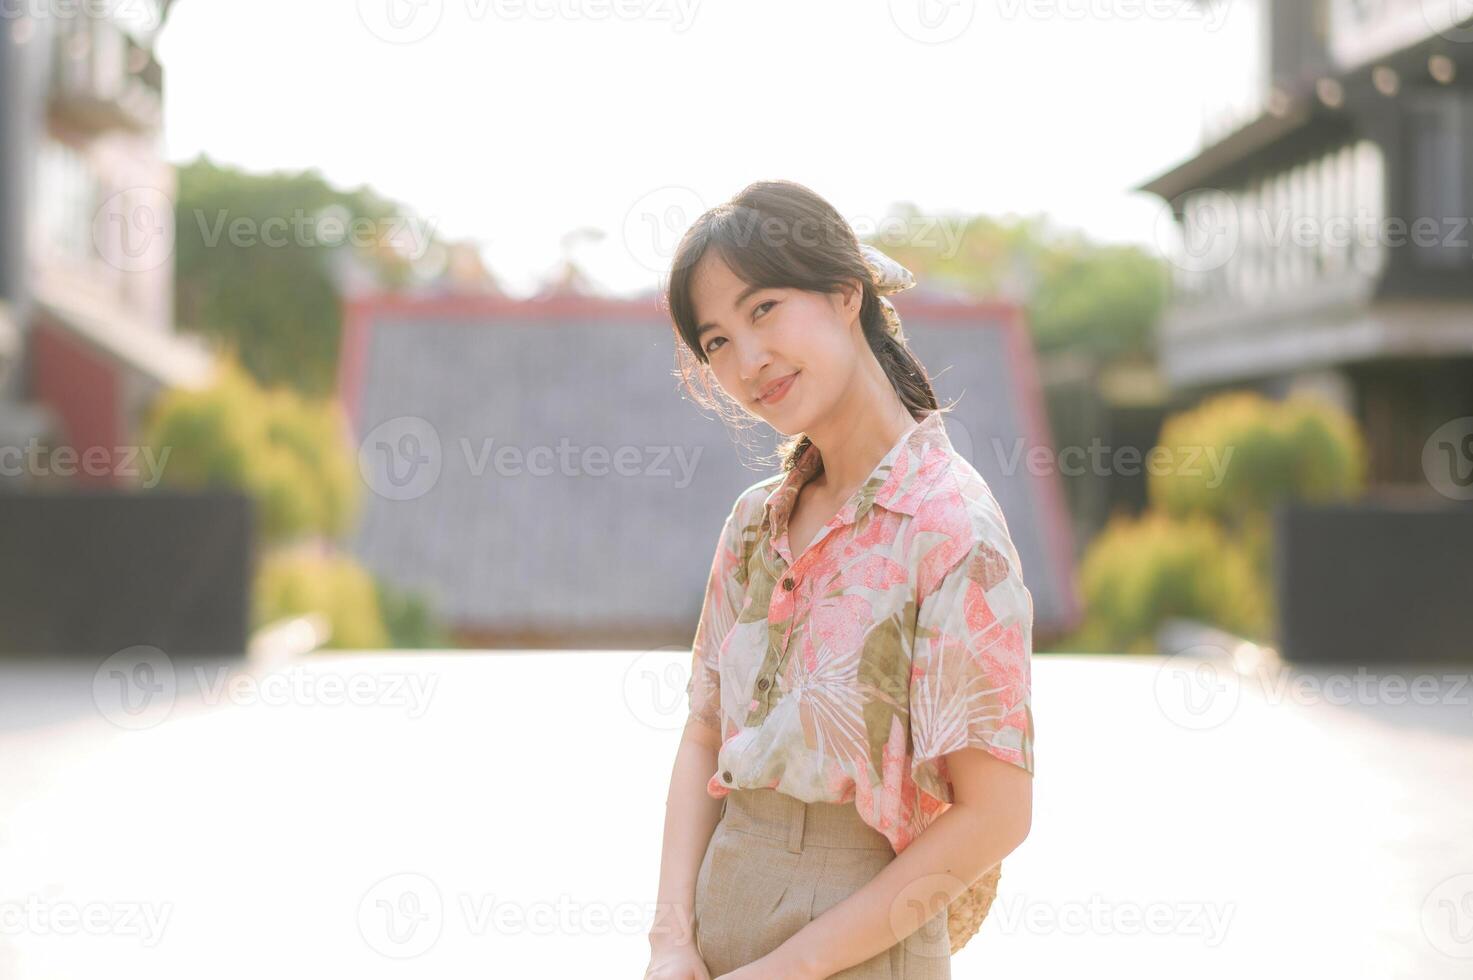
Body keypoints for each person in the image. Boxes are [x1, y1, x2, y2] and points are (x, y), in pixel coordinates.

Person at [645, 180, 1035, 980]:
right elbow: (704, 735)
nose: (746, 360)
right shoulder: (754, 524)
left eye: (763, 310)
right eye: (715, 341)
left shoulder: (948, 524)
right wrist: (670, 942)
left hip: (857, 944)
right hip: (717, 923)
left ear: (845, 294)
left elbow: (995, 814)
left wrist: (785, 971)